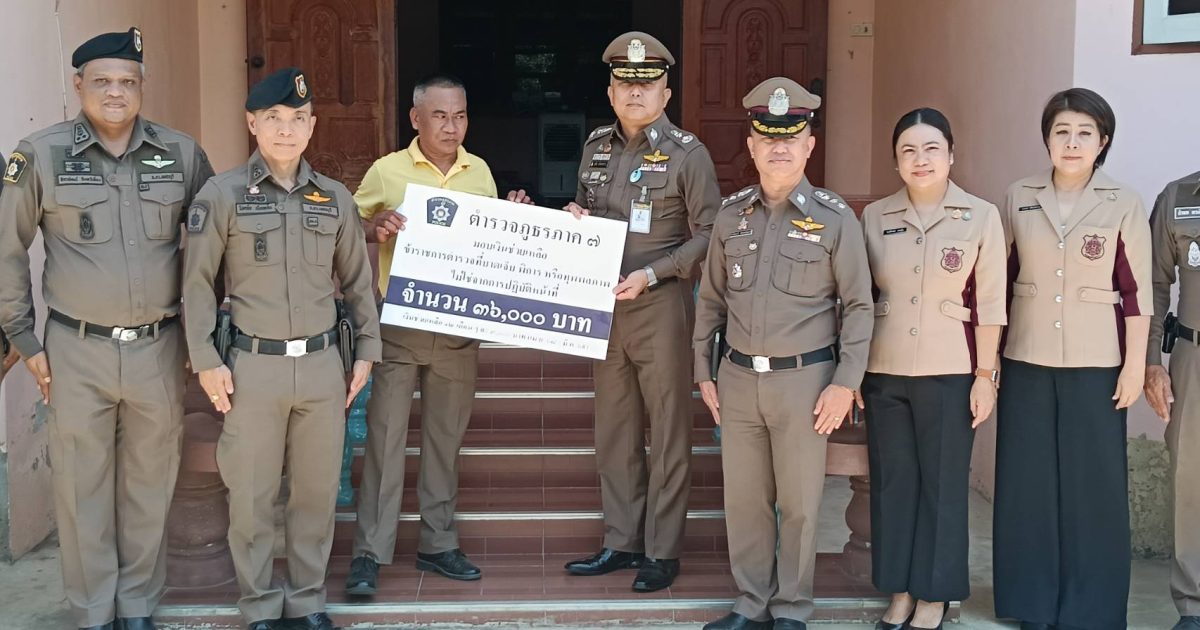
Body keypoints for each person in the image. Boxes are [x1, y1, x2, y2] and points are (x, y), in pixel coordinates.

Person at [0, 28, 212, 630]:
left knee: (150, 482)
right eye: (102, 81)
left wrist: (203, 337)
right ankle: (94, 610)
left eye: (127, 81)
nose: (115, 92)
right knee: (80, 484)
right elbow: (6, 249)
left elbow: (215, 245)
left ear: (142, 85)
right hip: (75, 349)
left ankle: (137, 605)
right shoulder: (40, 155)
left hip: (158, 346)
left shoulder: (182, 154)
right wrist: (24, 339)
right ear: (78, 85)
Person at [182, 68, 381, 630]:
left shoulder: (334, 198)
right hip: (252, 368)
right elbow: (197, 284)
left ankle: (307, 599)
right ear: (252, 124)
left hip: (322, 366)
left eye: (297, 119)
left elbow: (357, 283)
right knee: (251, 494)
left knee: (315, 494)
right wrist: (205, 358)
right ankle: (260, 605)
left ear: (312, 126)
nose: (286, 130)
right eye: (273, 118)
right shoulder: (221, 195)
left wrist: (366, 350)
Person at [693, 77, 873, 630]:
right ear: (751, 145)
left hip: (806, 384)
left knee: (798, 504)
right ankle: (751, 604)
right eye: (768, 137)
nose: (779, 148)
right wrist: (704, 372)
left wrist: (845, 382)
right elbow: (710, 301)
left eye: (790, 137)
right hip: (737, 379)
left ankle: (792, 608)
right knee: (745, 502)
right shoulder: (731, 217)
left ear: (809, 145)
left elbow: (859, 306)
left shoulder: (835, 218)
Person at [345, 74, 532, 594]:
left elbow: (493, 243)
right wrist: (376, 226)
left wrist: (513, 219)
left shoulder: (480, 172)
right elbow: (347, 226)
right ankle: (369, 553)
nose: (452, 127)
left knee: (445, 441)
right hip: (400, 325)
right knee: (385, 440)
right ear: (416, 119)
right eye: (441, 116)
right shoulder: (387, 170)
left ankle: (438, 543)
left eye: (460, 116)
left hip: (458, 328)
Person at [561, 30, 721, 593]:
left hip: (661, 306)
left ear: (665, 93)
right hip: (604, 309)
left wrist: (653, 273)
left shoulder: (688, 154)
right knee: (616, 429)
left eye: (646, 83)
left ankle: (662, 550)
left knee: (669, 430)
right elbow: (592, 215)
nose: (635, 92)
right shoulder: (595, 147)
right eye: (625, 83)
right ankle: (621, 540)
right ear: (610, 92)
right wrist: (574, 222)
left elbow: (710, 233)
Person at [993, 87, 1152, 630]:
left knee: (1094, 488)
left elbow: (1136, 294)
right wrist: (990, 361)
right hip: (1027, 357)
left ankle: (1093, 608)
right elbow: (998, 282)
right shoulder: (1018, 196)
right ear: (1046, 139)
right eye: (1061, 131)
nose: (1072, 142)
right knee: (1027, 484)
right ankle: (1030, 604)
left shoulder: (1123, 201)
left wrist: (1134, 365)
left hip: (1097, 362)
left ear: (1103, 141)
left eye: (1085, 132)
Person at [859, 108, 1006, 630]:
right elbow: (859, 298)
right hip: (885, 369)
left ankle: (934, 596)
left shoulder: (981, 216)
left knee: (943, 487)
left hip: (952, 372)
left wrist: (985, 377)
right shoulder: (875, 217)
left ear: (951, 155)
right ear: (896, 161)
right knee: (894, 483)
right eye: (908, 150)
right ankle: (900, 589)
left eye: (931, 149)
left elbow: (991, 304)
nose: (920, 160)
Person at [1145, 169, 1200, 630]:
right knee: (1190, 477)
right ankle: (1193, 604)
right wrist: (1151, 362)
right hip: (1193, 355)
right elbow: (1154, 284)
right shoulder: (1178, 197)